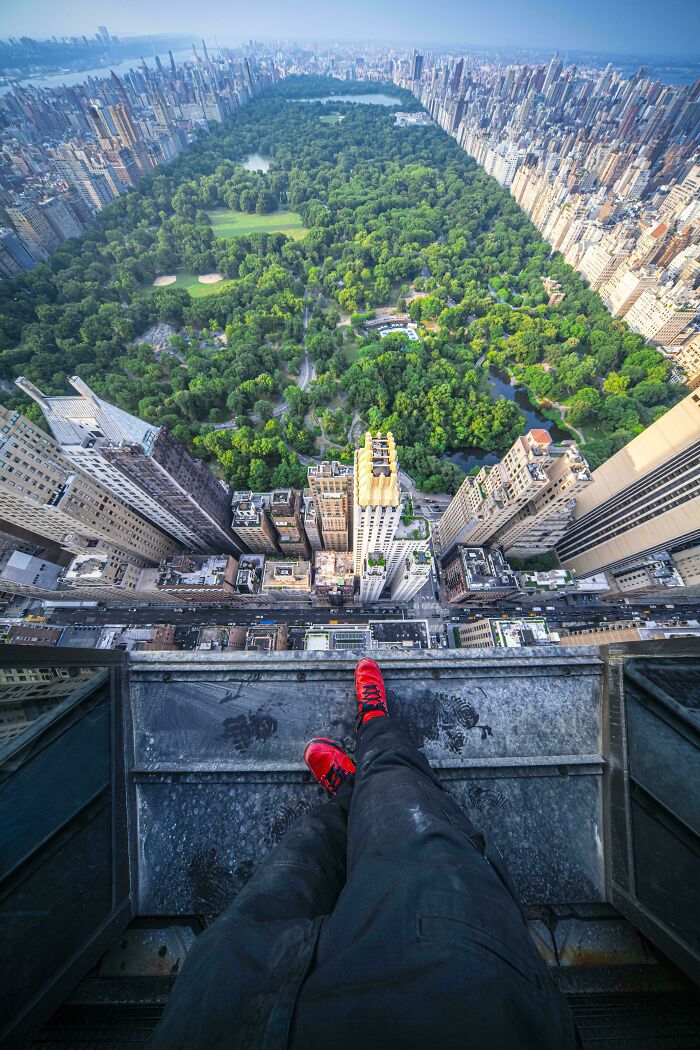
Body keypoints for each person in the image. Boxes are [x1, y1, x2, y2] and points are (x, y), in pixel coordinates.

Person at [151, 658, 579, 1049]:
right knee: (404, 801)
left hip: (238, 1020)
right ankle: (374, 722)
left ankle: (351, 793)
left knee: (297, 860)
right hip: (455, 984)